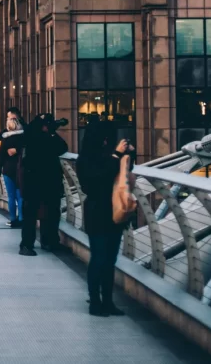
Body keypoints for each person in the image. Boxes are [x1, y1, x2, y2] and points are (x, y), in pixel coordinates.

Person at [77, 120, 133, 316]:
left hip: (114, 213)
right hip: (97, 211)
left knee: (110, 259)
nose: (107, 142)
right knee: (99, 257)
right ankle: (95, 302)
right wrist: (116, 155)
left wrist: (127, 155)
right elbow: (96, 180)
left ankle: (108, 301)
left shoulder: (108, 156)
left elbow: (123, 176)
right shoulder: (85, 159)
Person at [18, 113, 68, 256]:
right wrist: (52, 133)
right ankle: (44, 242)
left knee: (36, 213)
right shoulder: (40, 137)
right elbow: (62, 147)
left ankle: (30, 244)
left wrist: (50, 133)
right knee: (46, 212)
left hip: (36, 181)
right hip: (44, 180)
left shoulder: (30, 134)